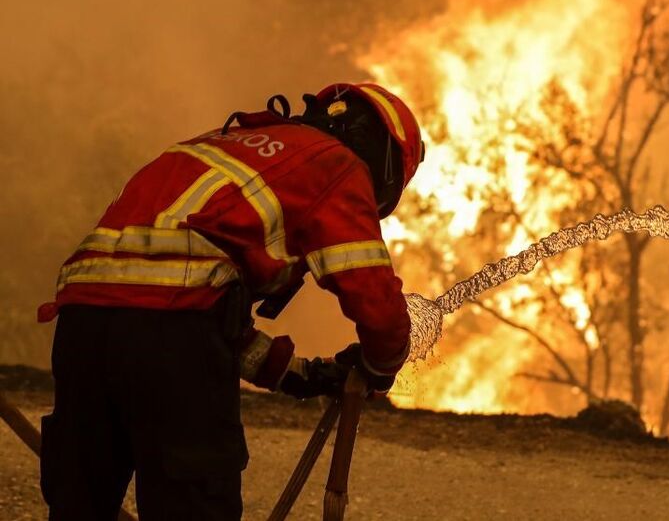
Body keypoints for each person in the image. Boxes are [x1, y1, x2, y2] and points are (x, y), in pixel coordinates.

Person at [36, 83, 425, 520]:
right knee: (192, 504)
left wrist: (298, 375)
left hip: (81, 324)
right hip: (171, 337)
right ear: (387, 162)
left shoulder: (216, 146)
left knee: (80, 502)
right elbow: (371, 293)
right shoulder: (334, 163)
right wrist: (381, 362)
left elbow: (188, 301)